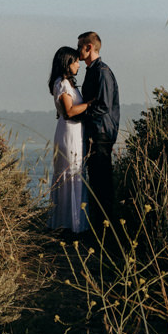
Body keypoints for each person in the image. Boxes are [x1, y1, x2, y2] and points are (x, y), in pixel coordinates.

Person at [76, 31, 119, 232]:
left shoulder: (101, 72)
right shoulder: (93, 70)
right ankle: (101, 227)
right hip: (96, 132)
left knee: (102, 183)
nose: (77, 52)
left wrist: (78, 114)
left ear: (89, 47)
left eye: (79, 47)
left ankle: (106, 230)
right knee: (97, 181)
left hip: (101, 133)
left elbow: (103, 105)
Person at [48, 46, 90, 233]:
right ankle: (68, 224)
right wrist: (91, 103)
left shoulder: (68, 84)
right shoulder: (62, 84)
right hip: (69, 133)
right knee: (71, 173)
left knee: (75, 173)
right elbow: (69, 111)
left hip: (74, 132)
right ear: (67, 63)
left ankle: (73, 223)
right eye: (75, 61)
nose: (78, 65)